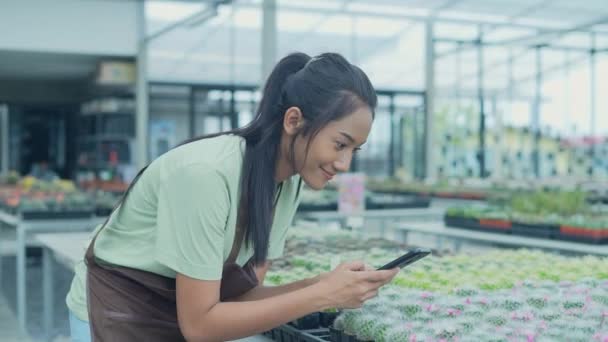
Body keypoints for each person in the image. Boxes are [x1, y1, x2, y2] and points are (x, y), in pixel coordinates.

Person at [65, 52, 399, 341]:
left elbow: (244, 297)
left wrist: (321, 285)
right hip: (118, 313)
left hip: (175, 315)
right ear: (293, 120)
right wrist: (321, 295)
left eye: (355, 150)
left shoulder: (289, 182)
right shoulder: (206, 174)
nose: (344, 164)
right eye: (340, 144)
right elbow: (200, 326)